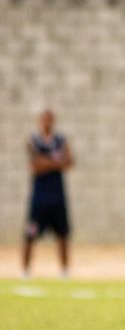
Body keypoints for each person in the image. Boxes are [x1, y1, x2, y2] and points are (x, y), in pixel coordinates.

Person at [22, 109, 73, 280]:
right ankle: (26, 271)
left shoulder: (61, 140)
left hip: (57, 197)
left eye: (50, 120)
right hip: (39, 198)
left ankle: (64, 272)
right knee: (30, 235)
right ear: (40, 121)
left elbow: (69, 162)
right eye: (44, 120)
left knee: (63, 235)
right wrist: (56, 162)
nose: (47, 123)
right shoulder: (33, 141)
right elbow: (35, 165)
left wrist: (47, 162)